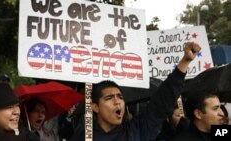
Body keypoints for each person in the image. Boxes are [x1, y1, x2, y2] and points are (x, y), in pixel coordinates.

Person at [69, 42, 201, 141]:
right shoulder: (82, 137)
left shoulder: (135, 131)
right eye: (109, 98)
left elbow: (160, 105)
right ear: (95, 107)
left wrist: (184, 62)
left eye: (120, 97)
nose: (117, 102)